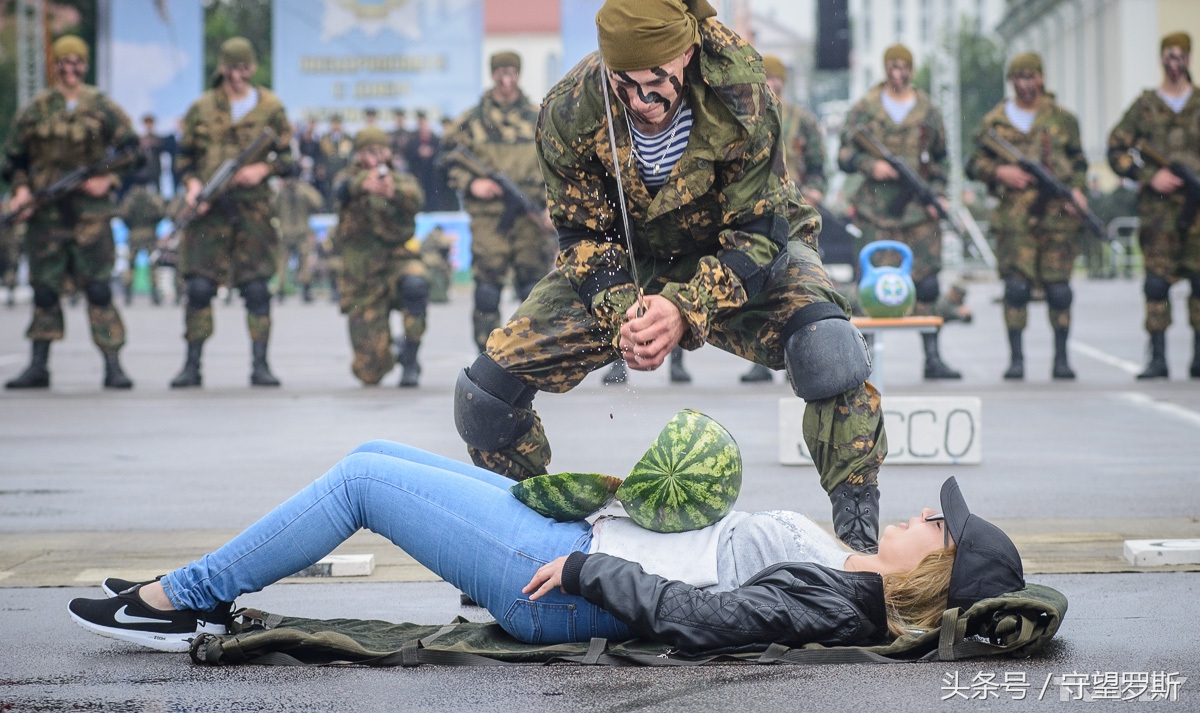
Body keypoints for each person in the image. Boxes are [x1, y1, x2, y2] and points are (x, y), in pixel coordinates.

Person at [453, 0, 886, 552]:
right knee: (484, 396)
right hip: (629, 260)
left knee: (830, 350)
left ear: (685, 53)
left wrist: (684, 308)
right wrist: (625, 317)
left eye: (656, 80)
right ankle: (522, 540)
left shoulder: (739, 86)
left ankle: (860, 545)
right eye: (624, 84)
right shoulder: (568, 110)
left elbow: (760, 230)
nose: (641, 100)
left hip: (740, 247)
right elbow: (582, 234)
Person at [66, 438, 1024, 655]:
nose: (919, 518)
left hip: (563, 586)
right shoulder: (849, 566)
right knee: (376, 455)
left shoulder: (836, 602)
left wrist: (581, 565)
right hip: (583, 537)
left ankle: (182, 597)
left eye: (937, 529)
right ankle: (198, 588)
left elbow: (700, 614)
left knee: (359, 483)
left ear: (933, 571)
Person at [2, 35, 139, 390]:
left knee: (98, 289)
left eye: (77, 60)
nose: (71, 67)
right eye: (65, 61)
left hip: (90, 215)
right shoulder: (37, 107)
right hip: (46, 213)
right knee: (45, 289)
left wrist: (108, 180)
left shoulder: (101, 106)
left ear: (85, 64)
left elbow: (134, 150)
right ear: (56, 64)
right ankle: (39, 365)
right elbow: (13, 157)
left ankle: (113, 365)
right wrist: (20, 190)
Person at [168, 36, 294, 389]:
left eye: (243, 69)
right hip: (208, 213)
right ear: (221, 68)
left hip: (252, 211)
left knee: (256, 289)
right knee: (198, 288)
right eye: (230, 69)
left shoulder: (270, 108)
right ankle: (191, 366)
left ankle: (260, 365)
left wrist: (262, 170)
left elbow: (288, 160)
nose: (237, 76)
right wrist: (193, 186)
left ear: (252, 68)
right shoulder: (202, 108)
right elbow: (183, 159)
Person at [839, 44, 961, 381]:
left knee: (927, 285)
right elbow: (845, 155)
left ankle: (933, 358)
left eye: (904, 66)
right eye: (892, 66)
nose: (898, 73)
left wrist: (938, 196)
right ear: (884, 68)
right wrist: (871, 165)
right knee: (870, 289)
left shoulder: (928, 110)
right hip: (874, 212)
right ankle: (862, 364)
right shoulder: (865, 108)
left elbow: (941, 159)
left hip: (918, 215)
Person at [966, 52, 1089, 381]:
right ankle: (1016, 359)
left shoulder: (1062, 119)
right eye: (1018, 77)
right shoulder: (995, 121)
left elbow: (1079, 163)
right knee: (1016, 288)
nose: (1025, 83)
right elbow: (973, 164)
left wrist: (1077, 192)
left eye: (1030, 76)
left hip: (1057, 218)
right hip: (1014, 219)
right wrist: (999, 172)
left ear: (1041, 78)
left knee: (1059, 290)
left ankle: (1061, 359)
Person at [443, 51, 557, 352]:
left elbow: (559, 163)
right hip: (489, 216)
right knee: (487, 290)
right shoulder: (471, 120)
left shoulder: (540, 116)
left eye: (511, 74)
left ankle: (533, 353)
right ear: (493, 75)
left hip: (531, 213)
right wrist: (471, 183)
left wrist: (553, 206)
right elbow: (448, 160)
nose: (506, 81)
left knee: (533, 288)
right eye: (500, 74)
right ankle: (487, 354)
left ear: (518, 75)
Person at [1107, 31, 1200, 380]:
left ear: (1188, 59)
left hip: (1197, 212)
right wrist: (1147, 177)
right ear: (1161, 59)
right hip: (1159, 212)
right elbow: (1116, 149)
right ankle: (1157, 357)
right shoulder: (1145, 106)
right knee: (1157, 285)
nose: (1174, 64)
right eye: (1168, 57)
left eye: (1180, 57)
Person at [739, 55, 829, 385]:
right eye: (767, 79)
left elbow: (820, 168)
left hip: (795, 213)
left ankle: (801, 360)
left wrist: (815, 193)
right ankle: (759, 361)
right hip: (758, 214)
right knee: (759, 288)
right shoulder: (745, 118)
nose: (772, 84)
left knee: (800, 288)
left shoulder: (802, 121)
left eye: (777, 79)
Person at [334, 128, 429, 387]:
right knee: (369, 372)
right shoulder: (348, 179)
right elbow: (340, 190)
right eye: (367, 152)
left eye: (379, 151)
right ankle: (390, 349)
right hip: (362, 273)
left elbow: (416, 198)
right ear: (357, 155)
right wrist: (362, 184)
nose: (374, 157)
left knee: (415, 284)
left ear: (388, 152)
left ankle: (410, 357)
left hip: (396, 262)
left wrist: (392, 193)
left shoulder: (400, 180)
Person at [273, 166, 324, 303]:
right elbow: (318, 202)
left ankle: (281, 290)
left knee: (282, 262)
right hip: (302, 231)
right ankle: (306, 291)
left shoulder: (281, 191)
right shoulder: (304, 190)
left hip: (285, 231)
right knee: (304, 262)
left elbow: (273, 208)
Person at [117, 171, 166, 305]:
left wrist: (131, 227)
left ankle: (127, 294)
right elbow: (161, 213)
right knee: (153, 265)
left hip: (134, 234)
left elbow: (123, 214)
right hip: (150, 234)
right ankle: (155, 294)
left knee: (130, 265)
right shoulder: (153, 196)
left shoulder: (130, 197)